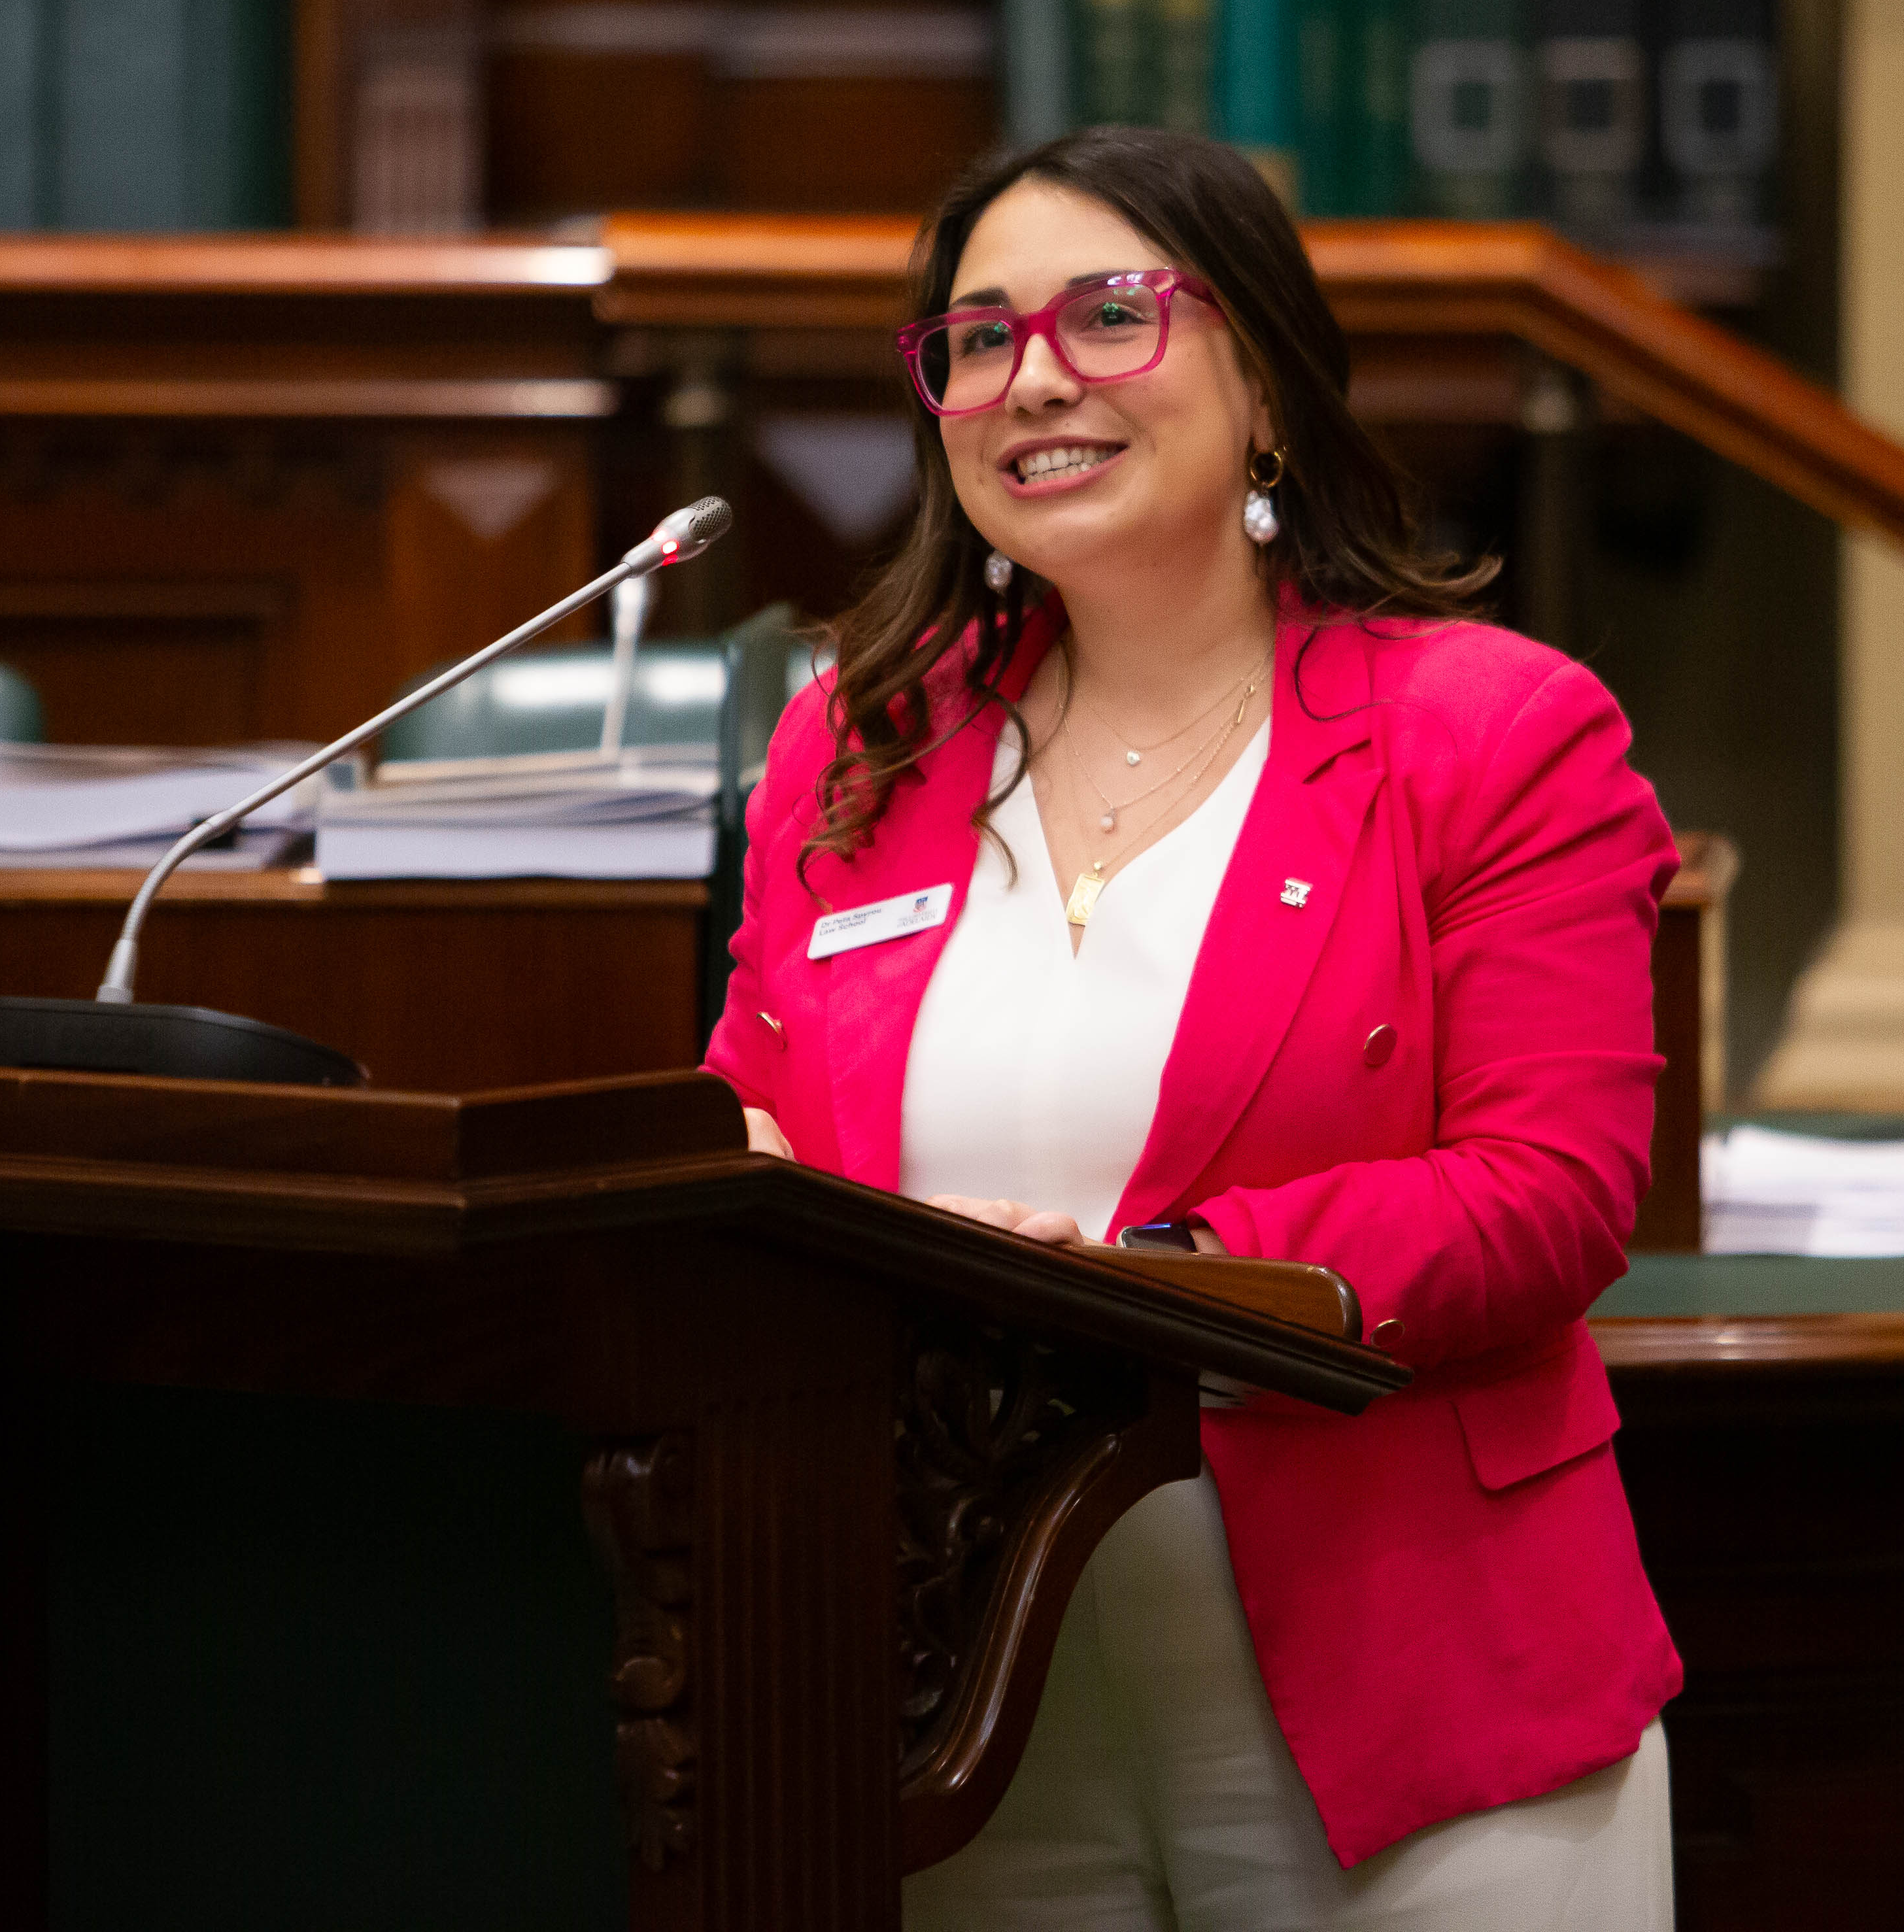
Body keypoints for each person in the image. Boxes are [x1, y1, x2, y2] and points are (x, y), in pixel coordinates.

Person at [704, 126, 1682, 1929]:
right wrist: (741, 1181)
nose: (1033, 378)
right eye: (976, 339)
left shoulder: (1491, 733)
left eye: (1110, 314)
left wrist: (1142, 1281)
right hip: (956, 1698)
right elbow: (744, 1117)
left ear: (1271, 389)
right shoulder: (858, 745)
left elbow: (1552, 1192)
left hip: (1411, 1682)